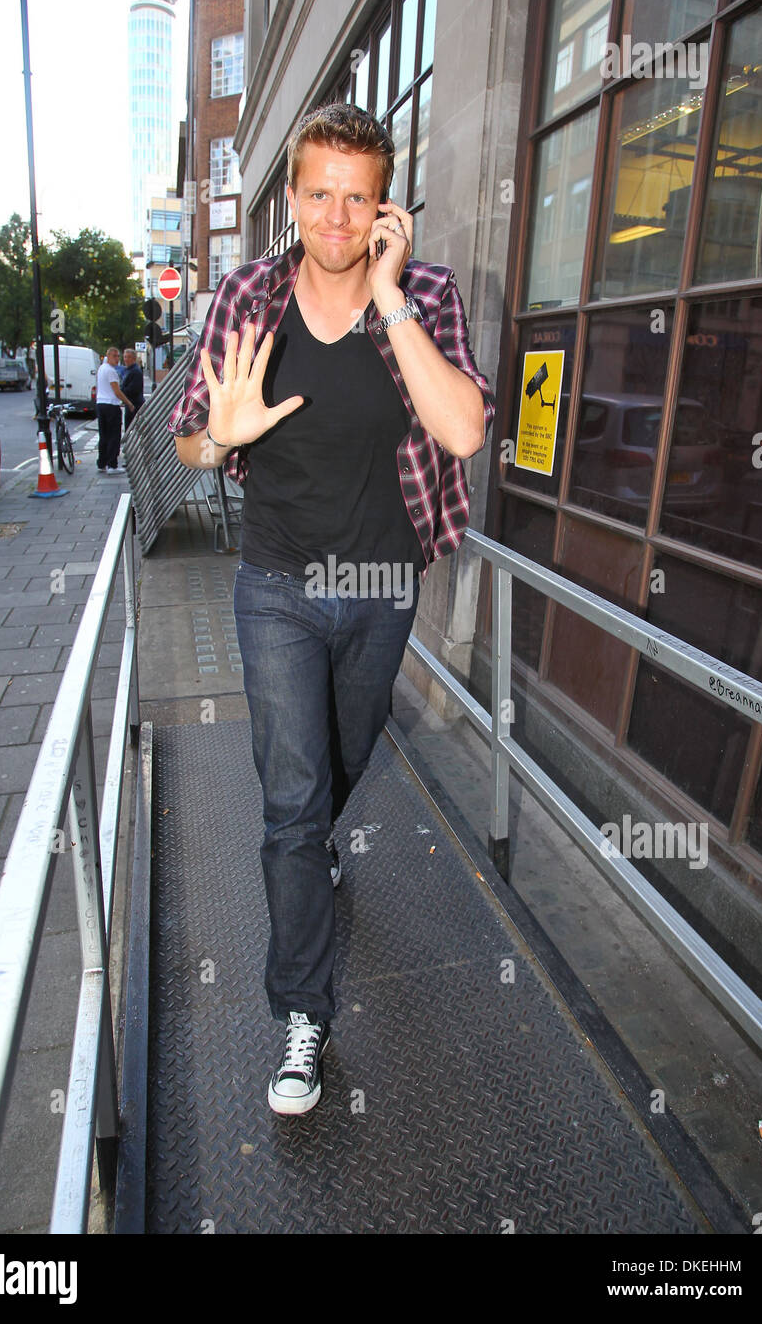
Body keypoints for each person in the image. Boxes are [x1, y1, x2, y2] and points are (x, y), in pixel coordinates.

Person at [168, 103, 493, 1117]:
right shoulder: (246, 296)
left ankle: (313, 851)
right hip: (274, 587)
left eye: (358, 198)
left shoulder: (426, 294)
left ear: (383, 205)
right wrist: (220, 438)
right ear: (295, 200)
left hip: (382, 586)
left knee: (344, 758)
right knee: (292, 797)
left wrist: (389, 300)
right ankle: (300, 1015)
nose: (338, 217)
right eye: (319, 194)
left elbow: (464, 431)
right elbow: (187, 444)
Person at [95, 346, 133, 472]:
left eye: (118, 356)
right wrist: (128, 403)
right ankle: (112, 464)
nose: (117, 359)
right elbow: (117, 391)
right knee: (113, 436)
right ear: (109, 356)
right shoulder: (111, 371)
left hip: (101, 404)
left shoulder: (101, 368)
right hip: (111, 405)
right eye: (115, 356)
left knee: (104, 435)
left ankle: (102, 463)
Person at [120, 347, 145, 432]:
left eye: (128, 357)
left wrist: (121, 391)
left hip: (134, 405)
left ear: (134, 358)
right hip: (130, 404)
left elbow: (133, 389)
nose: (126, 359)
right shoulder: (129, 370)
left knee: (132, 429)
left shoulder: (135, 371)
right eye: (125, 357)